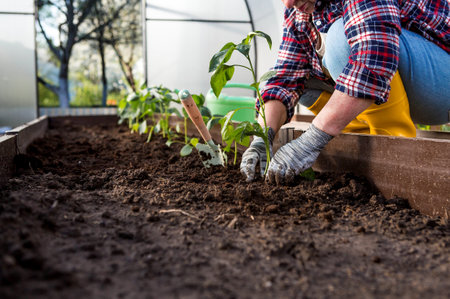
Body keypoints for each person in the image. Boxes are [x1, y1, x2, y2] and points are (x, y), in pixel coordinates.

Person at [240, 0, 450, 184]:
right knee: (304, 80)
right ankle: (363, 147)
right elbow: (286, 76)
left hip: (441, 86)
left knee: (342, 39)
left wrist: (310, 141)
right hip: (406, 87)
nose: (288, 3)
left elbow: (372, 57)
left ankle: (396, 152)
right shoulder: (300, 10)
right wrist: (261, 139)